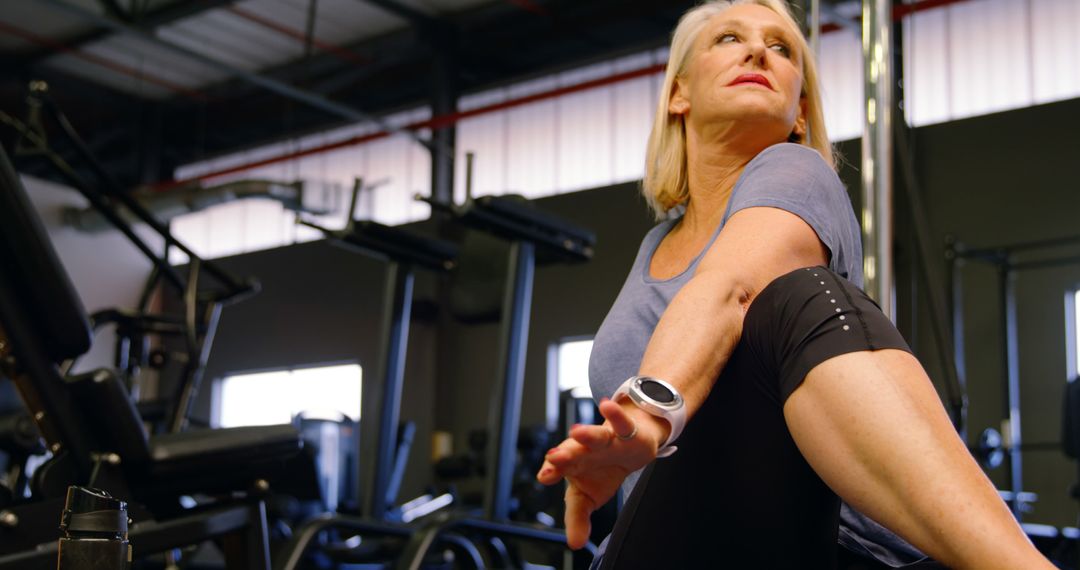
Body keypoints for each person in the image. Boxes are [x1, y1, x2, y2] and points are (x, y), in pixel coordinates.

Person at [535, 1, 1055, 568]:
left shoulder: (796, 171)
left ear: (799, 112)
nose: (758, 50)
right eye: (728, 38)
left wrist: (646, 415)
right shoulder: (654, 245)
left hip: (810, 543)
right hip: (655, 546)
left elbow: (729, 290)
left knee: (795, 297)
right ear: (679, 94)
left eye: (782, 48)